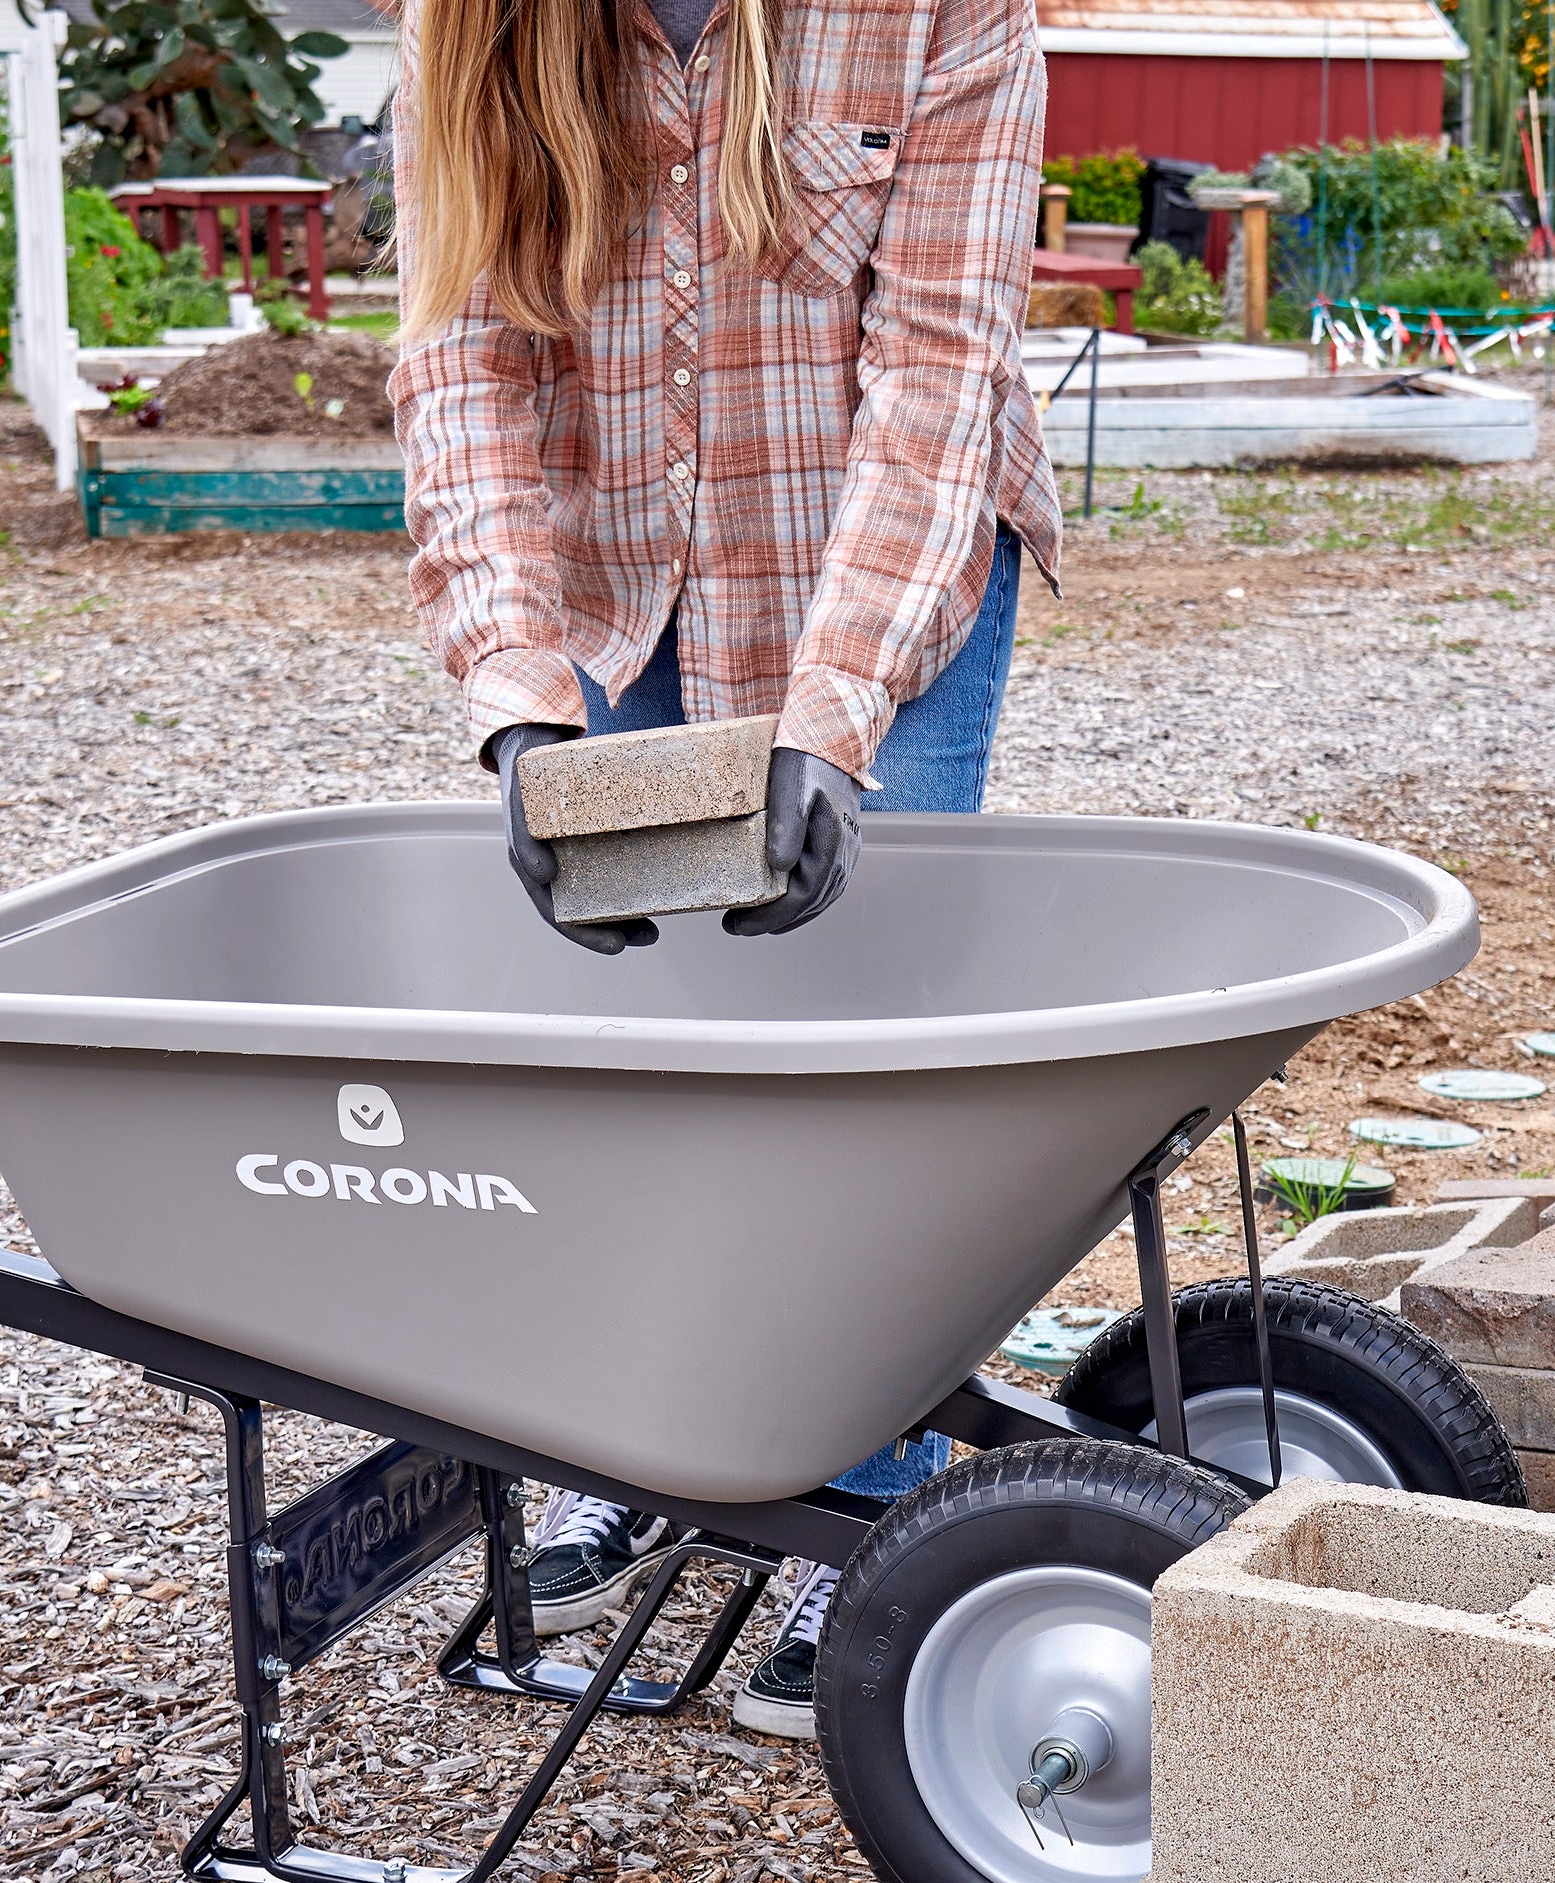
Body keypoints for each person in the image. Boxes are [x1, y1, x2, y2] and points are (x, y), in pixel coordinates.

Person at [386, 0, 1055, 1736]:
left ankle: (871, 1484)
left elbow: (940, 379)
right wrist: (524, 708)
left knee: (873, 1040)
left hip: (881, 574)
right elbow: (468, 360)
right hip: (633, 582)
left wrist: (830, 725)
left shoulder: (932, 13)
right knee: (671, 1027)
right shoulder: (474, 30)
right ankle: (674, 1441)